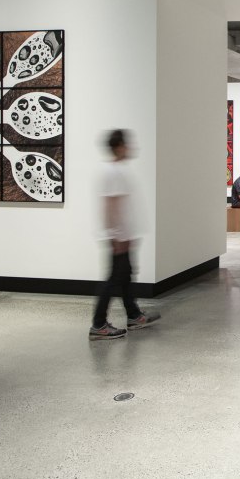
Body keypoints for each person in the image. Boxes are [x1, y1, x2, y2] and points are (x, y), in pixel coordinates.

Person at [89, 129, 161, 340]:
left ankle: (134, 315)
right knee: (113, 280)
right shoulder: (112, 172)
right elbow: (110, 207)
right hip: (118, 237)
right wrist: (117, 236)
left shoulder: (119, 170)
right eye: (127, 144)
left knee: (126, 275)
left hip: (123, 235)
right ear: (119, 146)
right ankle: (99, 325)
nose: (130, 147)